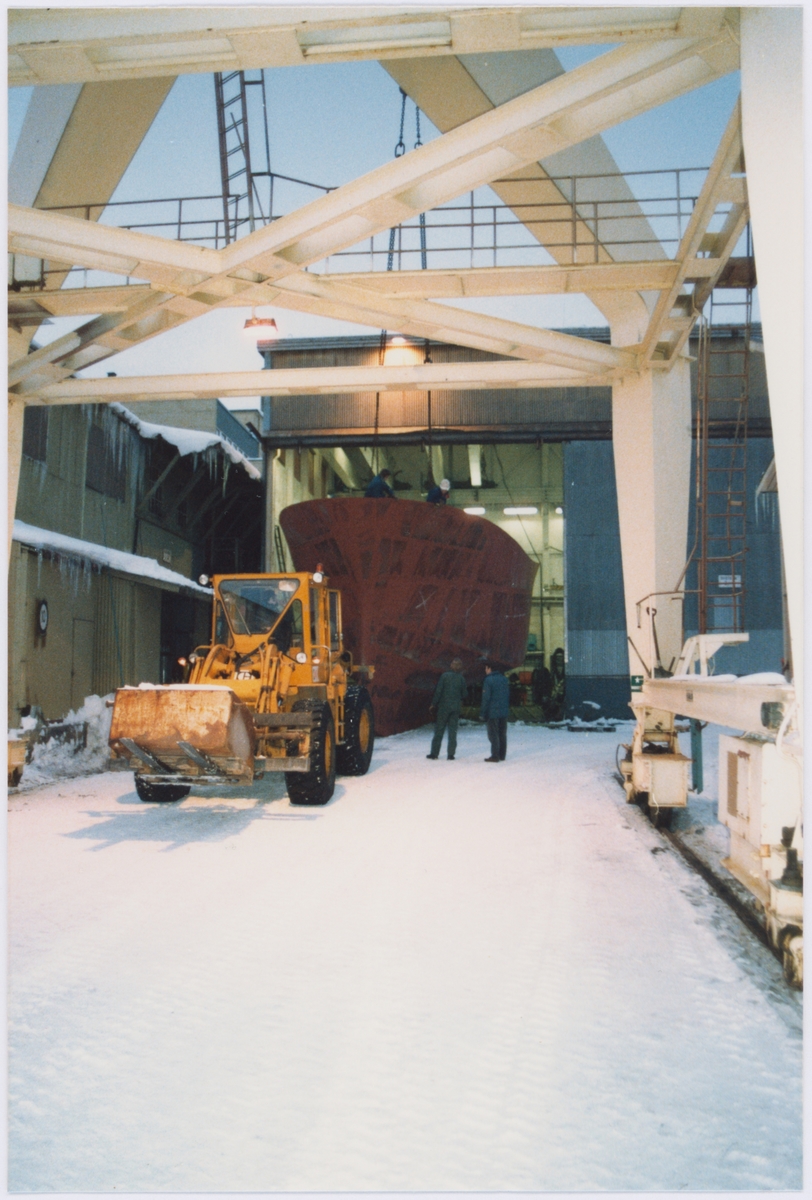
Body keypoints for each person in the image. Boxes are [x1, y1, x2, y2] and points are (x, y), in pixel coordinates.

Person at [427, 657, 467, 760]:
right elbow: (464, 694)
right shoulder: (461, 678)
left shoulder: (444, 676)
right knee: (453, 731)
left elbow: (438, 691)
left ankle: (434, 754)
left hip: (443, 707)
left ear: (451, 665)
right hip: (455, 708)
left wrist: (433, 704)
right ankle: (451, 755)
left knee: (439, 730)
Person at [480, 660, 510, 761]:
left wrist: (483, 713)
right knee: (502, 733)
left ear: (489, 669)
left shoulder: (488, 680)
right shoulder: (504, 679)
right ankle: (502, 755)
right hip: (504, 712)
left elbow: (486, 698)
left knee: (493, 734)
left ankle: (495, 756)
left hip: (492, 712)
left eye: (486, 668)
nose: (485, 671)